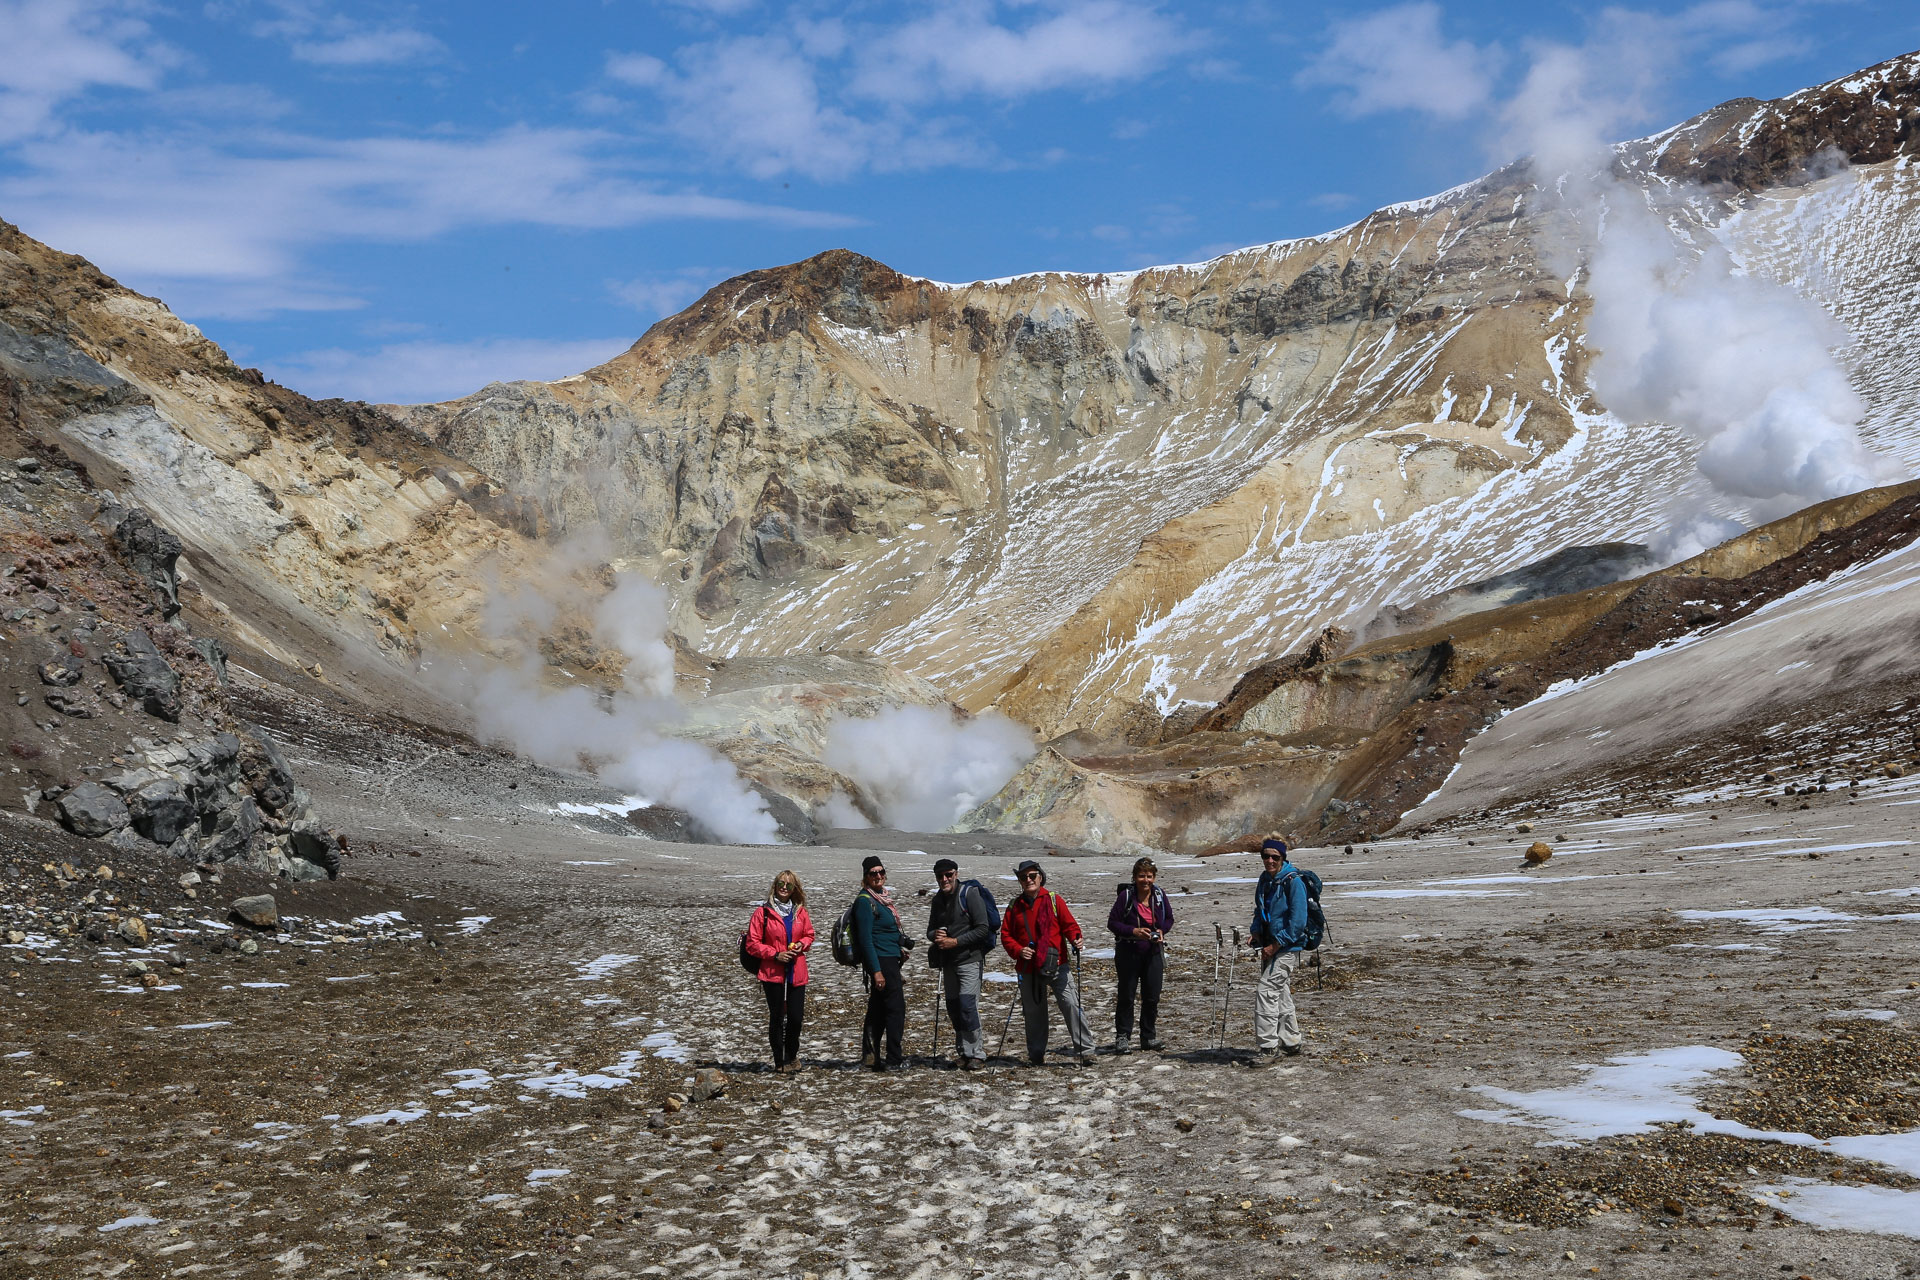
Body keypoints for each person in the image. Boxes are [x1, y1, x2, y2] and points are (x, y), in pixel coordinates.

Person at [1000, 858, 1095, 1066]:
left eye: (1032, 876)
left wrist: (1076, 938)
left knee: (1071, 1004)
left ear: (1040, 877)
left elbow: (1069, 925)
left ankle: (1086, 1050)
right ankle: (1036, 1054)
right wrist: (1018, 950)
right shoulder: (1014, 906)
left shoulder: (1054, 900)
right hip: (1028, 967)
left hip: (1057, 964)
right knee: (1034, 1013)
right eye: (1024, 877)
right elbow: (1006, 935)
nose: (1028, 880)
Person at [742, 870, 816, 1072]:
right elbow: (752, 944)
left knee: (795, 1017)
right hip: (772, 973)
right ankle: (780, 1061)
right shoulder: (762, 913)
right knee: (777, 1017)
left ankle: (791, 1055)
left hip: (796, 972)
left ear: (794, 889)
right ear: (775, 886)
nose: (784, 887)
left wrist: (802, 944)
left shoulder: (800, 912)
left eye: (789, 885)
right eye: (781, 884)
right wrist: (776, 955)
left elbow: (810, 934)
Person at [925, 858, 995, 1070]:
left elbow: (983, 929)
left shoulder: (969, 894)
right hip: (948, 962)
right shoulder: (938, 900)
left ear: (956, 874)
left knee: (967, 1006)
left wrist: (954, 941)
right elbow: (930, 930)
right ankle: (964, 1052)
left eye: (948, 875)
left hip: (969, 960)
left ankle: (977, 1054)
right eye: (940, 876)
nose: (944, 879)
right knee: (954, 1007)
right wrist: (935, 935)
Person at [1249, 835, 1309, 1060]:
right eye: (1266, 856)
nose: (1270, 861)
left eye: (1275, 857)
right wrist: (1255, 931)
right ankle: (1291, 1041)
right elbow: (1259, 909)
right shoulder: (1265, 880)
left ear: (1283, 858)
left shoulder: (1293, 882)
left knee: (1266, 992)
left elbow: (1298, 922)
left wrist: (1276, 944)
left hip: (1287, 948)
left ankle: (1268, 1047)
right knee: (1280, 993)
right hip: (1269, 945)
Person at [1106, 855, 1173, 1054]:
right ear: (1135, 877)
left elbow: (1169, 919)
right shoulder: (1126, 897)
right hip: (1128, 952)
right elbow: (1112, 923)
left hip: (1153, 952)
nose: (1146, 880)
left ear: (1155, 877)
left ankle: (1148, 1037)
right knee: (1127, 996)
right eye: (1142, 876)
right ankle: (1123, 1037)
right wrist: (1133, 932)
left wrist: (1162, 931)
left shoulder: (1159, 896)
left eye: (1150, 876)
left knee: (1152, 996)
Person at [849, 854, 908, 1071]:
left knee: (878, 1008)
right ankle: (894, 1058)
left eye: (881, 872)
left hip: (889, 958)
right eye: (873, 873)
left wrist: (898, 951)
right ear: (865, 876)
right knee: (895, 1009)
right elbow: (865, 939)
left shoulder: (881, 899)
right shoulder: (865, 902)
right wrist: (876, 971)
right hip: (881, 961)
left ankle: (870, 1056)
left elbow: (884, 932)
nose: (878, 876)